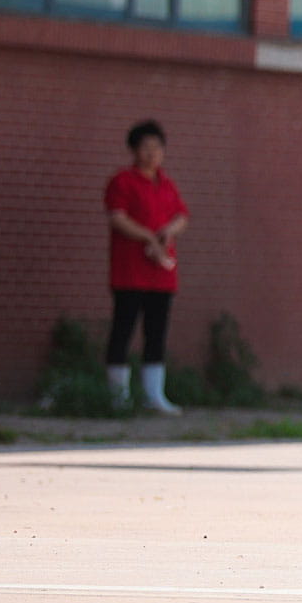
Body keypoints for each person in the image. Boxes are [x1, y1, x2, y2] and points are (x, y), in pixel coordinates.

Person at [103, 120, 189, 414]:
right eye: (145, 147)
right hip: (130, 271)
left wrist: (168, 232)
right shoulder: (122, 181)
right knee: (123, 329)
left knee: (156, 332)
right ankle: (118, 396)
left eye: (157, 148)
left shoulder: (167, 185)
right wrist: (148, 237)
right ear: (134, 150)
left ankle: (155, 396)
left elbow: (182, 216)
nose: (152, 154)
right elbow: (117, 217)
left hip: (161, 273)